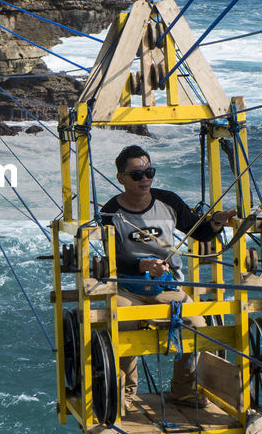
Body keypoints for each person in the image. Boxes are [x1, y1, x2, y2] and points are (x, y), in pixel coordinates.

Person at [100, 145, 236, 410]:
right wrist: (142, 265)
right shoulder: (109, 213)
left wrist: (216, 222)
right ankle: (126, 394)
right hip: (128, 287)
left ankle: (183, 389)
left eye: (149, 172)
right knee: (123, 324)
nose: (145, 180)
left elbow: (200, 232)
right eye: (137, 175)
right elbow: (111, 258)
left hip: (167, 285)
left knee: (195, 324)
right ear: (121, 178)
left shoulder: (169, 201)